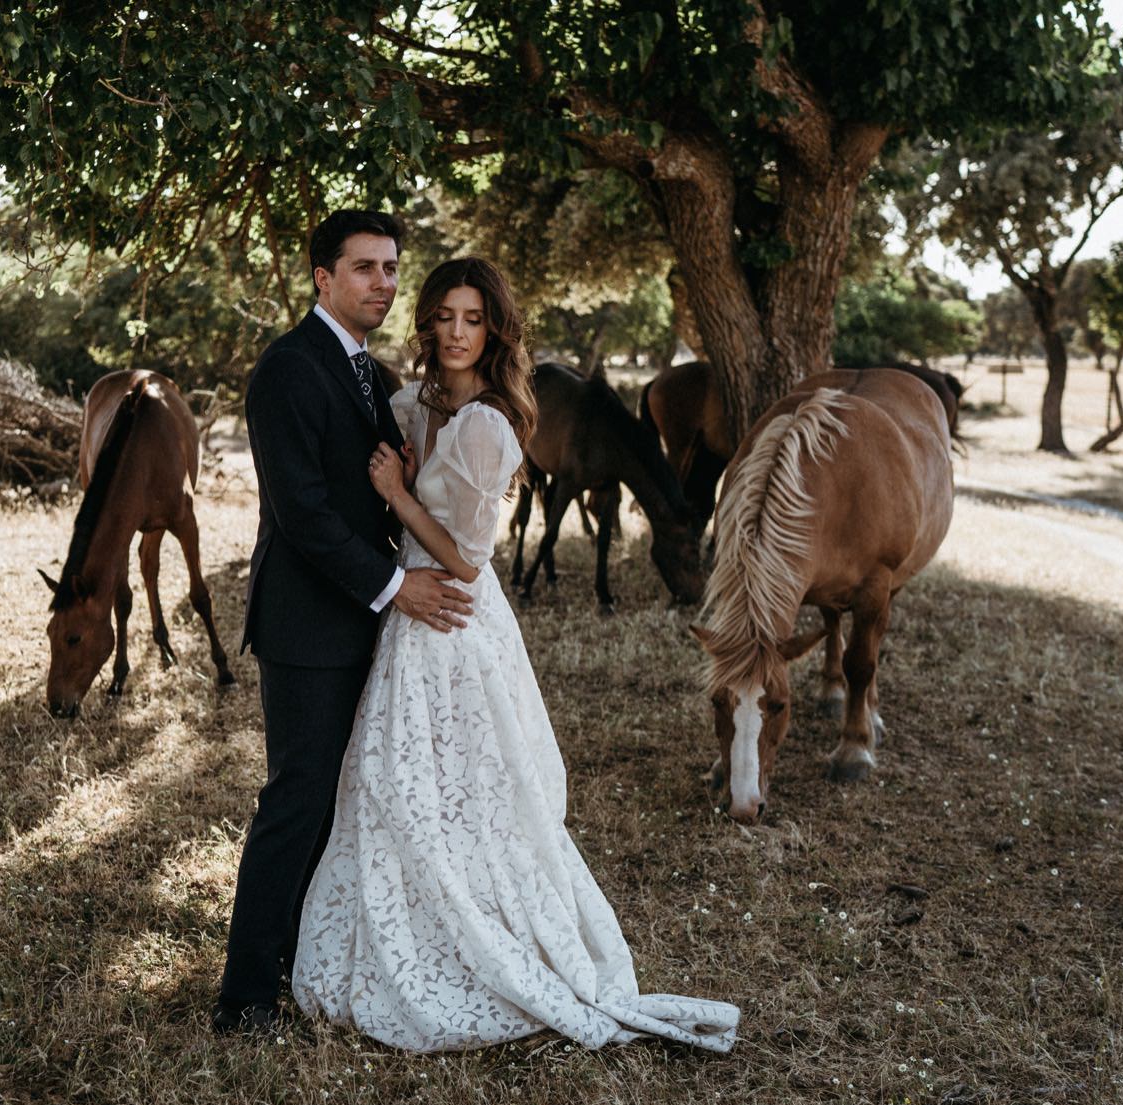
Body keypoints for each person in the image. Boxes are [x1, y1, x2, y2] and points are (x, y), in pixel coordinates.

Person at [291, 256, 740, 1052]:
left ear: (493, 330)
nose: (457, 332)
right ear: (427, 324)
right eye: (444, 317)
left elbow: (466, 558)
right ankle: (399, 931)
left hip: (453, 614)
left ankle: (487, 945)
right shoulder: (415, 405)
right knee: (397, 782)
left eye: (473, 319)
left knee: (464, 789)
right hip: (406, 614)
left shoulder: (491, 427)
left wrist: (397, 496)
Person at [214, 211, 473, 1035]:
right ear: (322, 278)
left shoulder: (370, 372)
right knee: (297, 802)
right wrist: (399, 586)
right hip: (306, 627)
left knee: (345, 804)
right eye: (365, 269)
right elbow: (304, 514)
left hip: (365, 624)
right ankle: (246, 997)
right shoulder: (287, 369)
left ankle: (308, 961)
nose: (383, 284)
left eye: (392, 269)